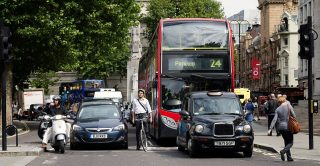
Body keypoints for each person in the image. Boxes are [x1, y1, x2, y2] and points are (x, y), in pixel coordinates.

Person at [268, 96, 295, 162]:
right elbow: (294, 115)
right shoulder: (289, 106)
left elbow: (274, 119)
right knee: (291, 142)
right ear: (284, 100)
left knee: (286, 141)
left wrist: (270, 129)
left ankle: (289, 157)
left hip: (280, 128)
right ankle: (283, 151)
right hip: (288, 126)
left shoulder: (277, 109)